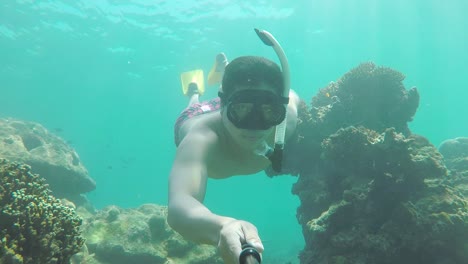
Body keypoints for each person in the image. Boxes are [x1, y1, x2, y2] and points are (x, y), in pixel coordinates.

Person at [168, 52, 300, 264]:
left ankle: (228, 79)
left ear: (279, 108)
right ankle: (194, 90)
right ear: (222, 105)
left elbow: (291, 95)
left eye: (268, 110)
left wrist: (243, 106)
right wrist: (223, 227)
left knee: (248, 98)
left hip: (227, 101)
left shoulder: (287, 119)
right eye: (242, 109)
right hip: (197, 114)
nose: (253, 125)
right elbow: (179, 206)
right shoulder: (200, 139)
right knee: (193, 103)